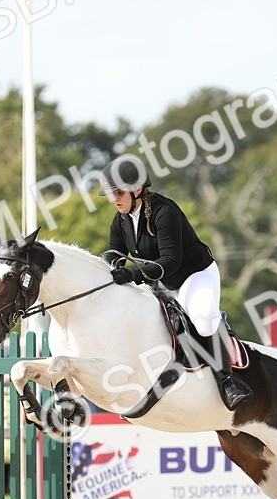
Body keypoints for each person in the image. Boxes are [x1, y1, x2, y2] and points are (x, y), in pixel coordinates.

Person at [99, 155, 253, 410]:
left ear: (137, 189)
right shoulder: (121, 219)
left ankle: (228, 382)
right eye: (112, 194)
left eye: (118, 192)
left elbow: (170, 260)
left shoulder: (164, 210)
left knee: (202, 322)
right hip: (158, 283)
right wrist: (112, 272)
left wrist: (133, 275)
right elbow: (113, 254)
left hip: (192, 275)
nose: (115, 199)